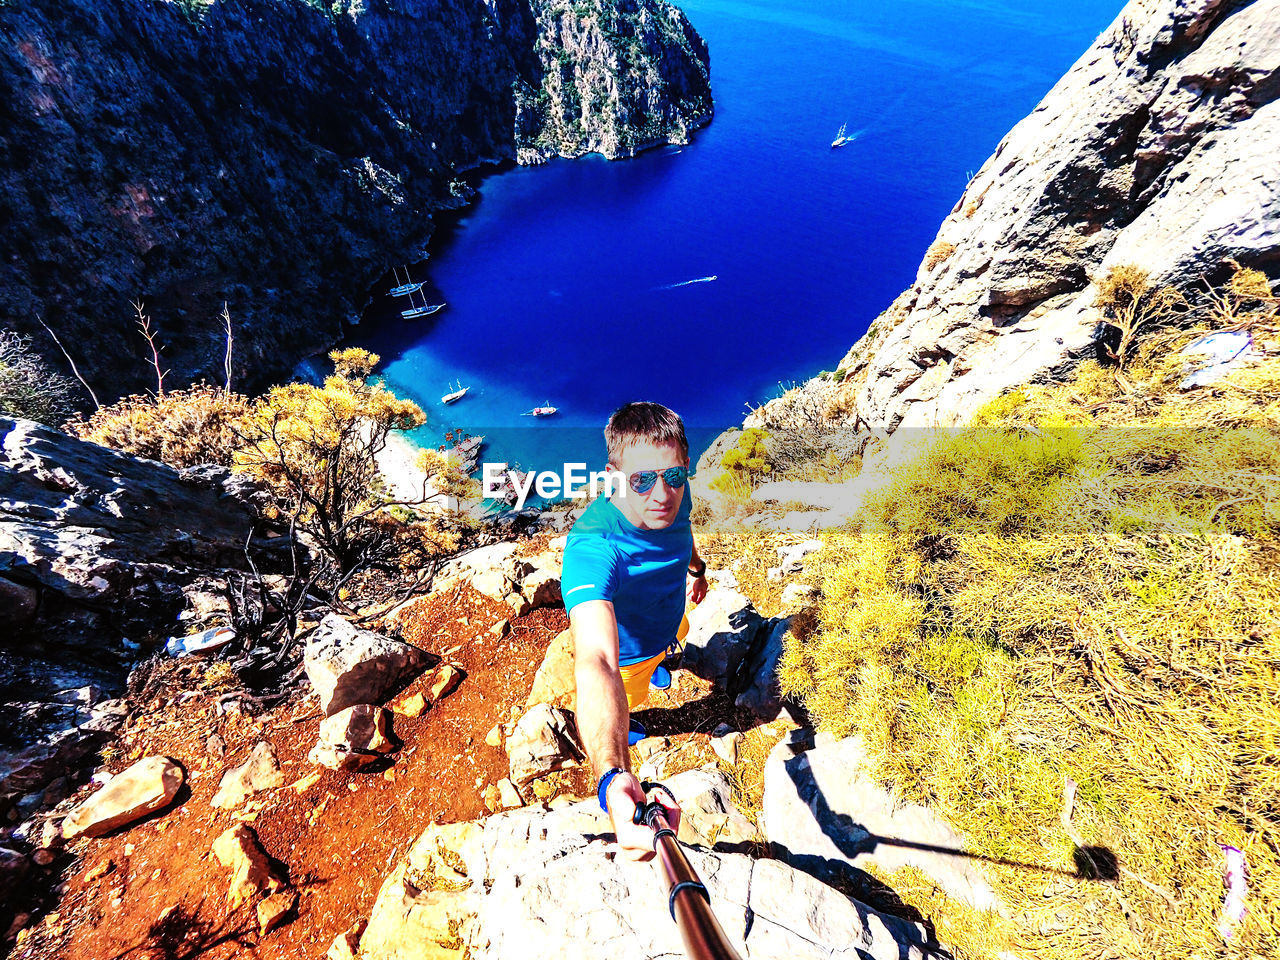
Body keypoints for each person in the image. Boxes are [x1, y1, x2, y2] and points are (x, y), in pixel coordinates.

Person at [562, 401, 709, 861]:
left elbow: (683, 535)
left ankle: (664, 658)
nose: (661, 494)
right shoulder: (594, 546)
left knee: (670, 642)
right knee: (633, 697)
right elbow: (596, 661)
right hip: (625, 657)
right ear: (615, 475)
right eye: (642, 479)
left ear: (685, 468)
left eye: (673, 476)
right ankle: (634, 718)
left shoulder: (674, 498)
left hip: (668, 619)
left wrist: (697, 570)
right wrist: (613, 775)